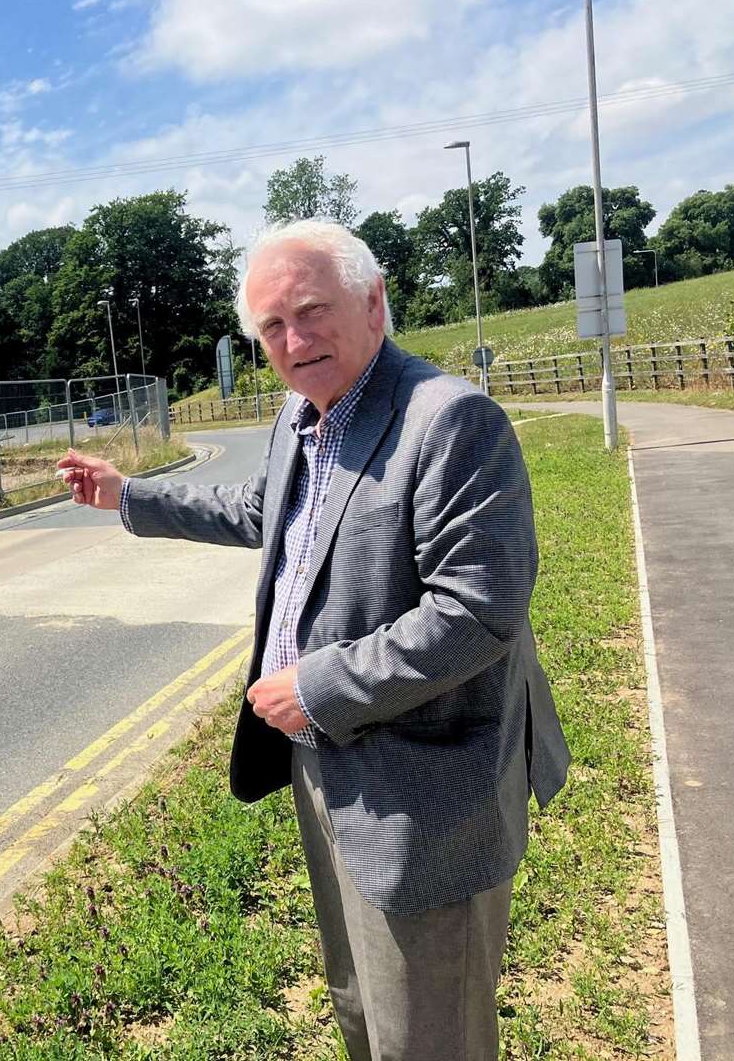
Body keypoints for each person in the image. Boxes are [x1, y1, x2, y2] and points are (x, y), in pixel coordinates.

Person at [55, 219, 569, 1060]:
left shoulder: (448, 420)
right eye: (271, 328)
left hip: (425, 784)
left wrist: (319, 688)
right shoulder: (305, 416)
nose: (293, 341)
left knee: (428, 1030)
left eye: (310, 312)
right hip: (323, 761)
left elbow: (477, 611)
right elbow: (267, 511)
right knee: (360, 1005)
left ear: (373, 302)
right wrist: (129, 496)